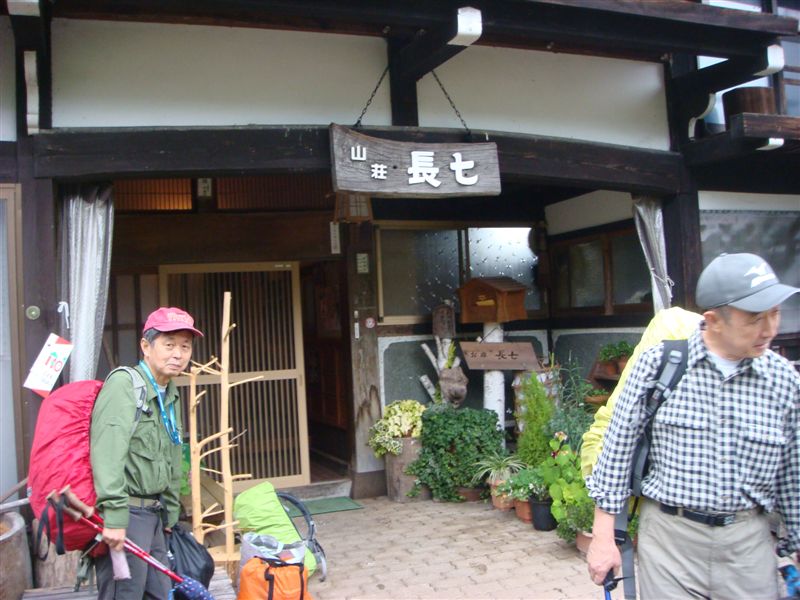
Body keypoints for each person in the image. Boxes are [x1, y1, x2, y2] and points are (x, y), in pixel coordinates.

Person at [586, 253, 800, 599]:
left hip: (748, 546)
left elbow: (794, 475)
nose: (769, 329)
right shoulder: (660, 365)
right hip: (670, 544)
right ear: (714, 321)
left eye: (774, 313)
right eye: (754, 318)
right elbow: (616, 452)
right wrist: (603, 538)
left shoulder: (783, 381)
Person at [91, 307, 203, 599]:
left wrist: (171, 514)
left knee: (160, 594)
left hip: (154, 516)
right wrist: (114, 517)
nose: (178, 354)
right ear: (146, 346)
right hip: (127, 514)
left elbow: (171, 457)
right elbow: (107, 453)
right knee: (124, 594)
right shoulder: (124, 385)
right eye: (169, 344)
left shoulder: (169, 393)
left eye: (185, 346)